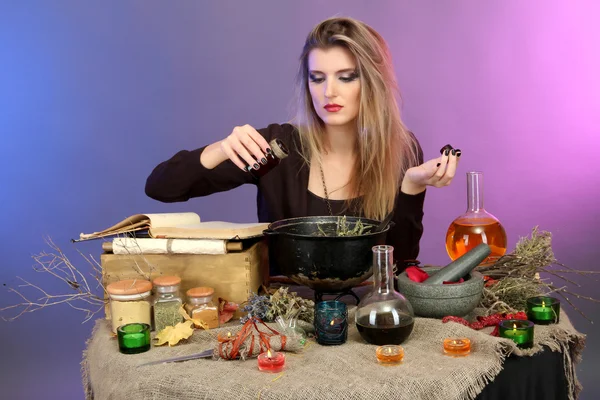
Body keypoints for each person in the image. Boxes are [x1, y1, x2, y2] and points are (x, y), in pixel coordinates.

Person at [145, 16, 460, 274]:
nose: (329, 92)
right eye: (318, 78)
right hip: (285, 323)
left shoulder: (402, 149)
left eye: (346, 77)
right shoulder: (276, 147)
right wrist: (220, 149)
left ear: (372, 82)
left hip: (366, 324)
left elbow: (401, 266)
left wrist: (411, 188)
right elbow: (161, 188)